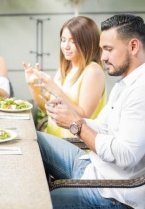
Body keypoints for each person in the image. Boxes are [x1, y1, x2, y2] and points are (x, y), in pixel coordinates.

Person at [38, 14, 145, 208]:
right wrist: (69, 118)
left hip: (112, 191)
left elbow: (126, 155)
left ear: (133, 46)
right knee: (34, 138)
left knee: (39, 202)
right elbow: (102, 126)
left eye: (109, 50)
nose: (103, 57)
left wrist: (77, 124)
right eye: (102, 49)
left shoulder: (141, 91)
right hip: (93, 166)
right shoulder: (125, 83)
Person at [23, 16, 106, 138]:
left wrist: (56, 89)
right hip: (54, 139)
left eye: (73, 41)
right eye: (63, 40)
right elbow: (47, 109)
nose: (66, 46)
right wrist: (32, 86)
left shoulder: (93, 71)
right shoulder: (66, 68)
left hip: (76, 146)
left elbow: (83, 117)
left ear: (88, 42)